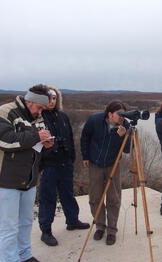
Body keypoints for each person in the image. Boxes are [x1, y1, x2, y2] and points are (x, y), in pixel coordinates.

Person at [0, 86, 54, 262]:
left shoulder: (37, 118)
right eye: (39, 108)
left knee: (26, 222)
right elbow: (3, 140)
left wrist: (47, 145)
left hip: (29, 180)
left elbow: (36, 149)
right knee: (8, 227)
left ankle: (24, 255)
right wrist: (36, 136)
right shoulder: (4, 112)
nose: (40, 112)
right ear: (30, 101)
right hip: (6, 181)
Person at [38, 85, 90, 247]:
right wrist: (39, 167)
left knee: (68, 194)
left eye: (54, 98)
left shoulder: (62, 117)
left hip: (65, 163)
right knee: (48, 198)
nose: (51, 101)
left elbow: (69, 138)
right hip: (48, 165)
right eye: (48, 98)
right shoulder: (38, 118)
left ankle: (72, 221)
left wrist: (72, 158)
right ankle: (46, 231)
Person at [80, 101, 130, 245]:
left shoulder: (124, 125)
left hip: (113, 164)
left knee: (113, 197)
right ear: (110, 114)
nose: (122, 117)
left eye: (124, 114)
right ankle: (100, 226)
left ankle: (112, 230)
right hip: (95, 162)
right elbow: (85, 138)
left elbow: (127, 150)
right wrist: (85, 156)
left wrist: (123, 136)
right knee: (96, 196)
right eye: (119, 114)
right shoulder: (94, 120)